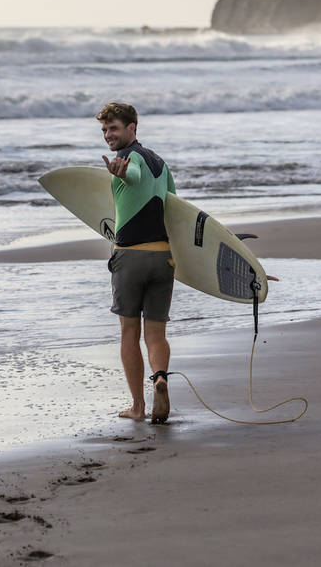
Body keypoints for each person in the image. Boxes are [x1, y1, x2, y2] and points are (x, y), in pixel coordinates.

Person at [96, 102, 176, 424]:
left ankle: (138, 407)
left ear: (132, 128)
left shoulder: (132, 159)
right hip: (163, 258)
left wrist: (122, 170)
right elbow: (175, 208)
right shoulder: (162, 163)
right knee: (156, 334)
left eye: (113, 128)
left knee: (129, 333)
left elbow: (133, 173)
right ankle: (160, 377)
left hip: (131, 257)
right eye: (104, 130)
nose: (107, 135)